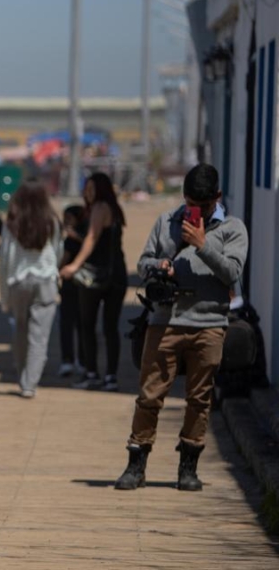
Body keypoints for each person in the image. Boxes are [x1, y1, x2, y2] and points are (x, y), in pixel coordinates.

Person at [114, 164, 247, 492]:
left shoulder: (233, 228)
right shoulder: (167, 221)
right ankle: (137, 462)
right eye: (189, 202)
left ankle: (188, 465)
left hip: (209, 324)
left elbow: (231, 273)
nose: (194, 211)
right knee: (149, 395)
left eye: (201, 205)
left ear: (217, 197)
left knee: (199, 399)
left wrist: (202, 244)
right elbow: (143, 263)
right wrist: (157, 266)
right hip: (166, 321)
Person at [59, 172, 127, 392]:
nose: (86, 194)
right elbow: (102, 240)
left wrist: (73, 266)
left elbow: (92, 238)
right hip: (117, 274)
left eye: (91, 189)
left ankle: (92, 374)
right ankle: (111, 376)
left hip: (95, 276)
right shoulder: (115, 209)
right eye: (85, 189)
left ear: (101, 190)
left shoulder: (99, 208)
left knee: (87, 325)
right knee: (110, 327)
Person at [0, 180, 63, 398]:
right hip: (45, 280)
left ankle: (22, 374)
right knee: (39, 336)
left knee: (20, 330)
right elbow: (57, 251)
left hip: (18, 281)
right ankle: (29, 384)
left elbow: (6, 259)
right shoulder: (52, 221)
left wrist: (4, 296)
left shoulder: (12, 223)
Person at [58, 205, 87, 377]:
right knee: (78, 324)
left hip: (72, 284)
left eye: (68, 218)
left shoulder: (72, 238)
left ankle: (69, 360)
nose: (66, 222)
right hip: (80, 285)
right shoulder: (86, 235)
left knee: (69, 324)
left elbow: (64, 260)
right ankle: (79, 361)